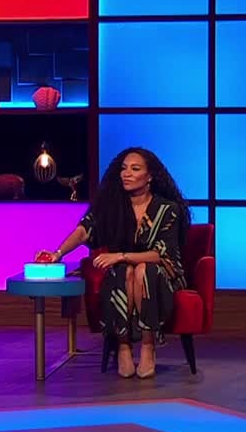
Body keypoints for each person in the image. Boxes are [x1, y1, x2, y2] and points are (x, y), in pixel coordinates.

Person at [41, 147, 189, 379]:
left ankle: (148, 345)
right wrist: (58, 253)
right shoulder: (111, 206)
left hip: (162, 272)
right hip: (123, 272)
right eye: (123, 168)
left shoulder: (167, 209)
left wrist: (120, 255)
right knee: (124, 272)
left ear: (150, 176)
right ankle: (123, 346)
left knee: (143, 270)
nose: (126, 174)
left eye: (135, 169)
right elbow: (84, 231)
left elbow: (160, 255)